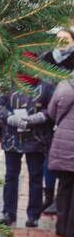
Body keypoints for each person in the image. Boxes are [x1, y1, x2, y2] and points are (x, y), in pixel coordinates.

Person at [0, 70, 55, 228]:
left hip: (36, 138)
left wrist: (40, 117)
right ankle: (8, 213)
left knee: (35, 176)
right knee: (11, 176)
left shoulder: (46, 85)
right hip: (12, 138)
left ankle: (33, 215)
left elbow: (53, 107)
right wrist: (9, 117)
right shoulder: (9, 82)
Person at [40, 29, 74, 213]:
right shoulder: (47, 58)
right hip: (48, 111)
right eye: (58, 39)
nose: (62, 42)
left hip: (67, 115)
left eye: (66, 39)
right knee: (49, 157)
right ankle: (48, 194)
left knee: (65, 158)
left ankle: (61, 197)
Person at [47, 76, 74, 237]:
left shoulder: (63, 86)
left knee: (64, 186)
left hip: (62, 144)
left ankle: (60, 227)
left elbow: (51, 112)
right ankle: (72, 230)